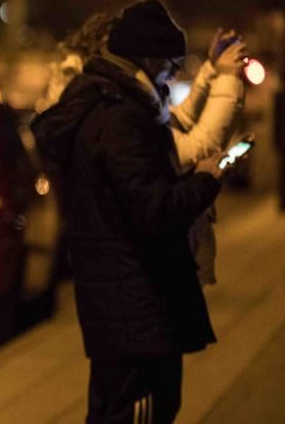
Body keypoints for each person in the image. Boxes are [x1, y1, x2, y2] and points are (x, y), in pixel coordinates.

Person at [31, 0, 228, 424]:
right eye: (170, 64)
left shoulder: (112, 106)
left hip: (122, 307)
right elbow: (152, 210)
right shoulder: (122, 118)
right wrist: (206, 180)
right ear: (149, 57)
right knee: (141, 410)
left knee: (119, 409)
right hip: (136, 309)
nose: (172, 74)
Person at [43, 14, 248, 284]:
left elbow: (173, 124)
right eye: (166, 60)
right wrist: (227, 79)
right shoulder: (114, 109)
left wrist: (210, 71)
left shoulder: (118, 96)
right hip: (133, 277)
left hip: (131, 276)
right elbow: (189, 148)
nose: (172, 70)